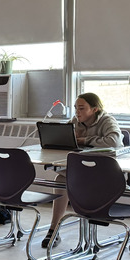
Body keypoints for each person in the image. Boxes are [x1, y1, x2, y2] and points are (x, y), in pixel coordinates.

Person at [41, 92, 123, 248]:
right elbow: (66, 138)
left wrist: (85, 140)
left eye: (81, 108)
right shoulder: (76, 121)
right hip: (82, 169)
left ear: (94, 109)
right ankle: (54, 228)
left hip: (103, 172)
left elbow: (114, 141)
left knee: (66, 180)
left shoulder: (107, 120)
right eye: (75, 108)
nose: (77, 112)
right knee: (60, 179)